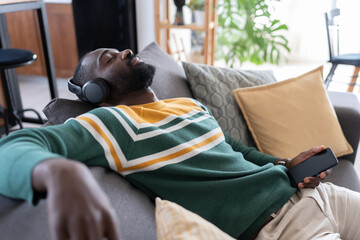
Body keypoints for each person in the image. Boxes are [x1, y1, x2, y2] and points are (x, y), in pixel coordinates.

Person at [0, 48, 359, 240]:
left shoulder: (187, 106)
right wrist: (55, 171)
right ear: (97, 92)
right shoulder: (114, 123)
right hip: (281, 229)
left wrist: (285, 164)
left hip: (317, 196)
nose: (125, 51)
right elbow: (13, 147)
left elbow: (235, 150)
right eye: (108, 60)